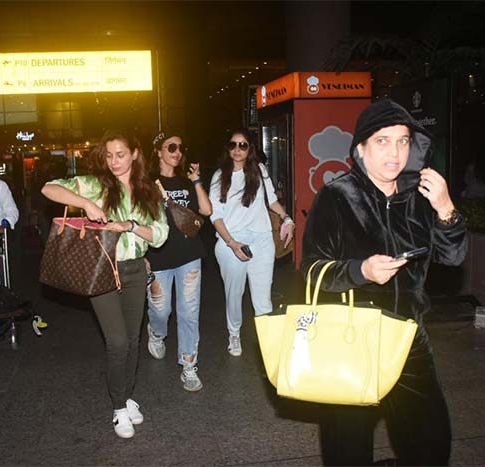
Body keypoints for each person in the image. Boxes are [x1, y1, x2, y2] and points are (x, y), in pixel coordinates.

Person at [301, 99, 467, 466]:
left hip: (409, 340)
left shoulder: (421, 199)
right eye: (383, 140)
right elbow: (311, 272)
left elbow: (452, 261)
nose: (395, 152)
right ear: (360, 148)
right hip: (351, 342)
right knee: (348, 451)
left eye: (404, 141)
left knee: (431, 445)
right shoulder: (337, 197)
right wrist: (361, 271)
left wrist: (445, 210)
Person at [41, 131, 168, 439]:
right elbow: (48, 189)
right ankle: (118, 407)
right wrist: (86, 203)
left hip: (136, 270)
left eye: (120, 155)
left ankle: (126, 396)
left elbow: (161, 234)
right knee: (118, 342)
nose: (114, 161)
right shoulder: (97, 185)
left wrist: (131, 226)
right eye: (109, 155)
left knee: (134, 341)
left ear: (135, 154)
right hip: (102, 272)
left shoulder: (148, 189)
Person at [209, 128, 294, 357]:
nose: (237, 150)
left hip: (262, 239)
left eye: (243, 145)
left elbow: (272, 201)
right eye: (233, 145)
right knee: (234, 294)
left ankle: (267, 339)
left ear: (250, 149)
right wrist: (231, 243)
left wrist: (287, 218)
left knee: (262, 297)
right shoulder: (219, 176)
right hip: (231, 241)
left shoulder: (259, 170)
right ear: (228, 148)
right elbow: (215, 215)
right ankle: (234, 333)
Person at [145, 131, 212, 392]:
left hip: (189, 256)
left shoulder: (186, 181)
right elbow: (139, 221)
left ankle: (189, 365)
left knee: (189, 311)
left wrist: (196, 181)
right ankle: (157, 332)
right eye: (171, 147)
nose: (177, 152)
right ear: (158, 151)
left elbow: (206, 211)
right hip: (158, 256)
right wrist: (143, 257)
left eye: (180, 148)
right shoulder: (147, 184)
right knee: (161, 310)